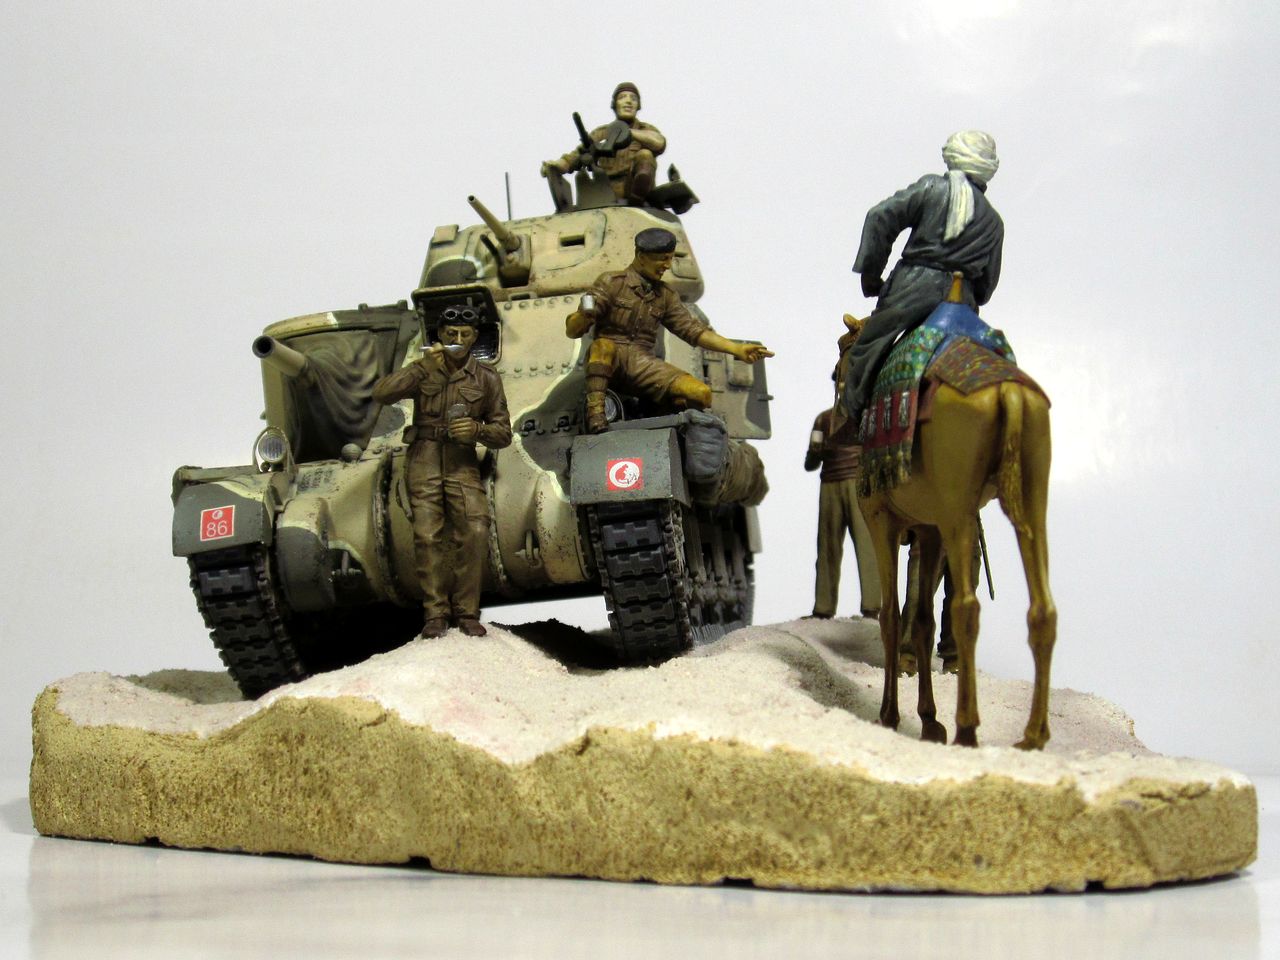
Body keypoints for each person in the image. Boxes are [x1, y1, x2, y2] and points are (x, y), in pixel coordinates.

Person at [844, 130, 1004, 429]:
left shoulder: (931, 188)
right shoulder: (994, 222)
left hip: (912, 288)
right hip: (963, 302)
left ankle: (857, 423)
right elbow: (986, 287)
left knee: (867, 348)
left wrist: (871, 274)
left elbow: (880, 216)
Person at [372, 305, 511, 639]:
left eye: (465, 334)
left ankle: (467, 612)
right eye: (451, 334)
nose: (458, 340)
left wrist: (477, 430)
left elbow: (503, 433)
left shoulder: (486, 377)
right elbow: (382, 393)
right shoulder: (424, 369)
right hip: (425, 456)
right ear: (440, 336)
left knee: (475, 527)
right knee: (426, 534)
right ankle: (435, 613)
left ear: (474, 337)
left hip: (462, 460)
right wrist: (421, 368)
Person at [566, 227, 773, 433]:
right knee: (603, 346)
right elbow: (572, 331)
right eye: (662, 259)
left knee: (701, 393)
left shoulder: (665, 296)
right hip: (612, 357)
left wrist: (736, 349)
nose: (667, 265)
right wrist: (583, 316)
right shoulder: (612, 283)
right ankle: (596, 415)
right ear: (641, 256)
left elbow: (693, 331)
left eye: (670, 259)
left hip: (643, 362)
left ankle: (658, 419)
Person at [806, 346, 880, 620]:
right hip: (831, 485)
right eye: (839, 380)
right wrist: (817, 451)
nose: (842, 385)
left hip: (859, 483)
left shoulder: (867, 415)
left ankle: (872, 607)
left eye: (847, 381)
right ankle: (823, 608)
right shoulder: (824, 419)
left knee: (867, 545)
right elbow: (810, 463)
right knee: (828, 546)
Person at [541, 82, 666, 203]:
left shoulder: (645, 129)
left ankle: (637, 198)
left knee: (645, 155)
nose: (628, 101)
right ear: (615, 104)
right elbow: (574, 157)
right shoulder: (601, 133)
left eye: (633, 98)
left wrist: (627, 132)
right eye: (622, 97)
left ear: (638, 105)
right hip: (606, 190)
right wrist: (554, 166)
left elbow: (659, 143)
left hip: (634, 187)